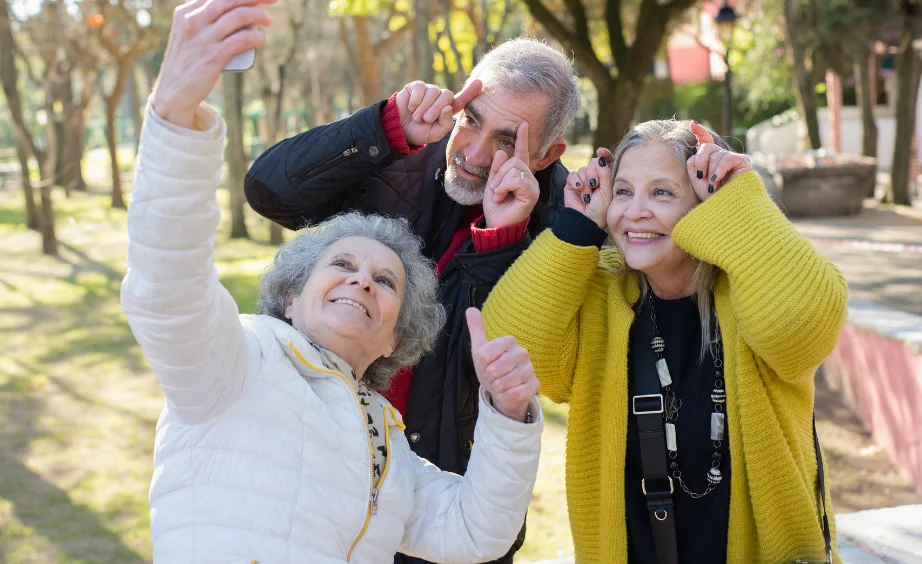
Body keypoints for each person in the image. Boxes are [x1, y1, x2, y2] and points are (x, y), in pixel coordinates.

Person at [121, 2, 544, 562]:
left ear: (397, 338)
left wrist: (508, 414)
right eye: (342, 266)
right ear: (291, 296)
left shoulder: (387, 447)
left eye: (386, 282)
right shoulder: (236, 365)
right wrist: (175, 113)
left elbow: (475, 532)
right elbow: (166, 289)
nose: (363, 281)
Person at [245, 35, 580, 564]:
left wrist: (500, 240)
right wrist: (383, 127)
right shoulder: (398, 154)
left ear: (547, 154)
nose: (472, 153)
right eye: (470, 119)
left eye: (504, 142)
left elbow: (503, 361)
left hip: (442, 500)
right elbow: (268, 190)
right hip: (319, 470)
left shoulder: (564, 228)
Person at [482, 119, 849, 563]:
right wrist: (577, 226)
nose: (635, 211)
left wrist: (739, 201)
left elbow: (803, 327)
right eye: (623, 192)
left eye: (661, 192)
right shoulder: (601, 293)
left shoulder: (752, 289)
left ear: (704, 205)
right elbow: (510, 347)